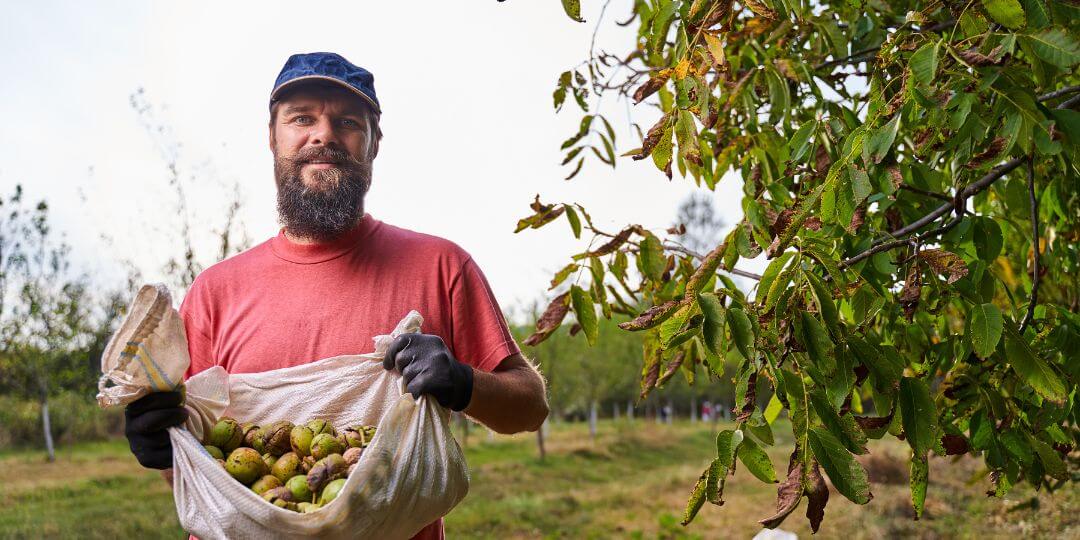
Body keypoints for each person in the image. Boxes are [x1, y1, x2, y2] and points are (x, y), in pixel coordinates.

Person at [121, 52, 550, 540]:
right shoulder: (214, 291)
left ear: (373, 144)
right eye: (302, 118)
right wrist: (160, 445)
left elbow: (529, 407)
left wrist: (461, 381)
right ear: (272, 137)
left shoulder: (440, 265)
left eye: (347, 121)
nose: (323, 134)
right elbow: (201, 474)